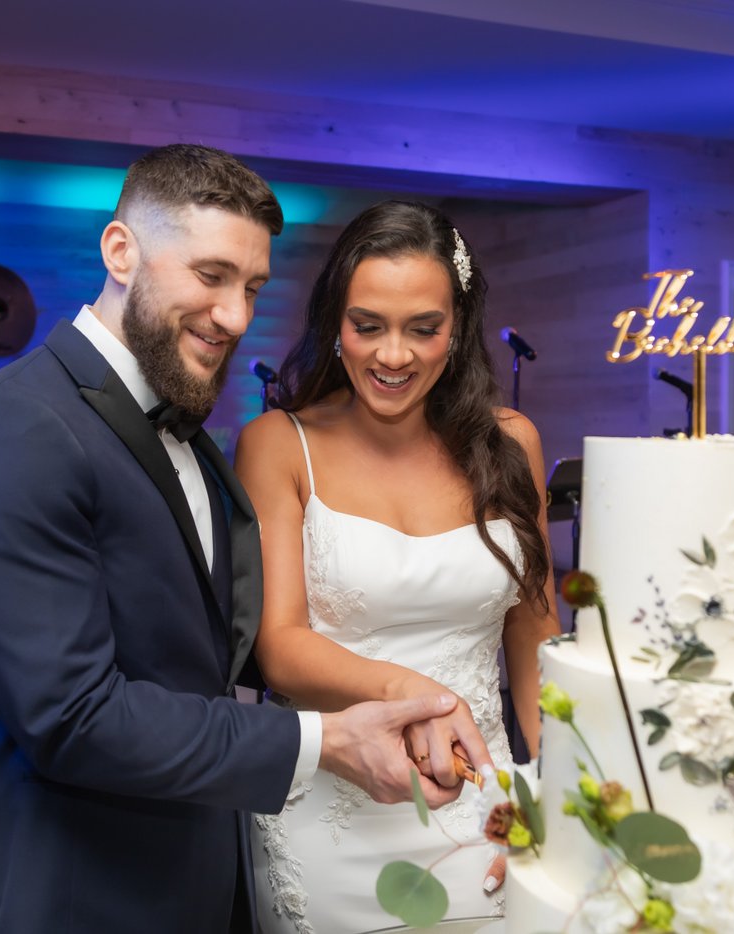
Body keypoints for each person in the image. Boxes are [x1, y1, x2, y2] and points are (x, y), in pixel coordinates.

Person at [0, 147, 490, 934]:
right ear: (121, 252)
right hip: (71, 898)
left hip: (198, 877)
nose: (237, 315)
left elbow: (212, 639)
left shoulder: (186, 431)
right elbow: (70, 717)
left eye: (253, 287)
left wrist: (400, 691)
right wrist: (322, 741)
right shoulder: (11, 428)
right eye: (211, 275)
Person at [236, 200, 561, 931]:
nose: (393, 355)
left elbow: (537, 640)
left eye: (424, 328)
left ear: (459, 327)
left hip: (485, 808)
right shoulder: (277, 445)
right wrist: (418, 693)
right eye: (368, 325)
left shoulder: (513, 444)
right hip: (331, 819)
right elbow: (279, 646)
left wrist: (551, 792)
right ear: (334, 324)